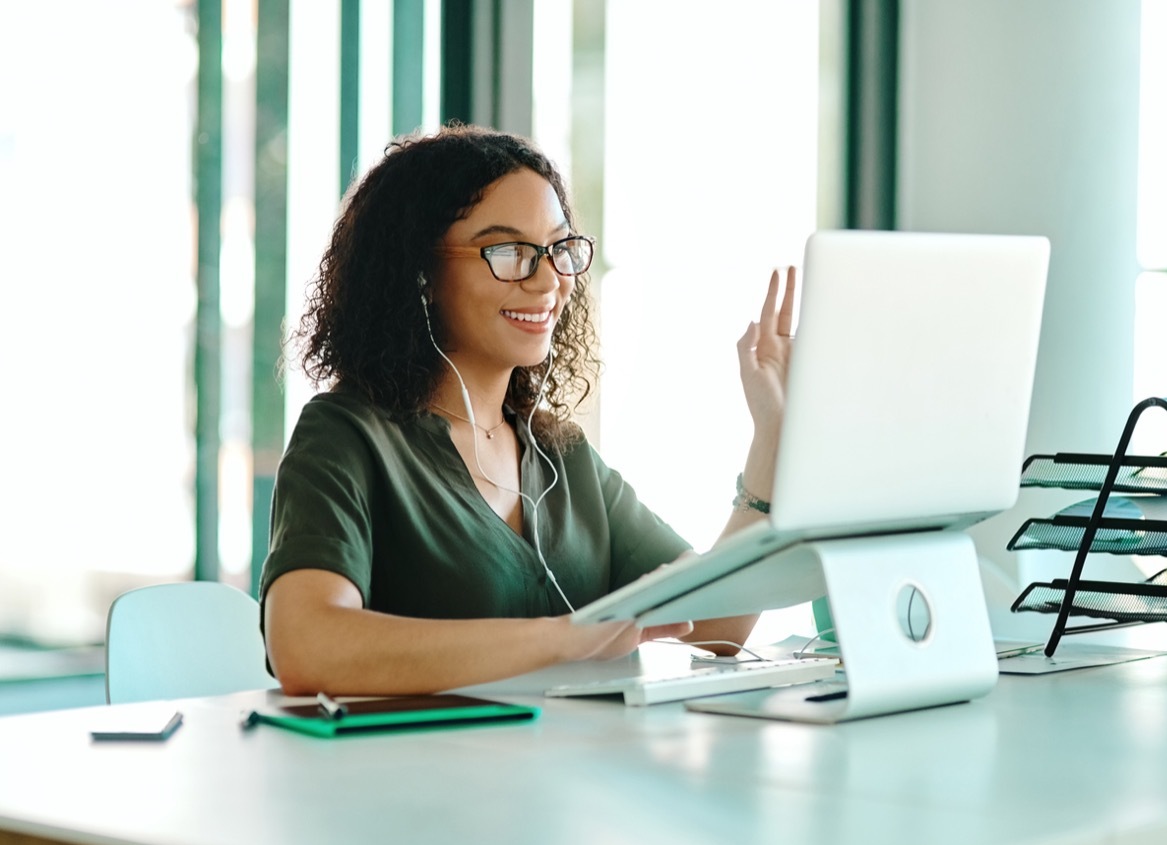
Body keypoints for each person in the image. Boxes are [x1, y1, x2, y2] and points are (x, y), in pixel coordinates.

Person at [261, 123, 797, 696]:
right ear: (420, 274)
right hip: (412, 780)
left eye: (559, 248)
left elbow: (714, 627)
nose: (548, 280)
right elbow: (306, 645)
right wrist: (567, 637)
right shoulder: (347, 435)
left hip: (557, 779)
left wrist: (773, 434)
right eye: (510, 251)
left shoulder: (563, 458)